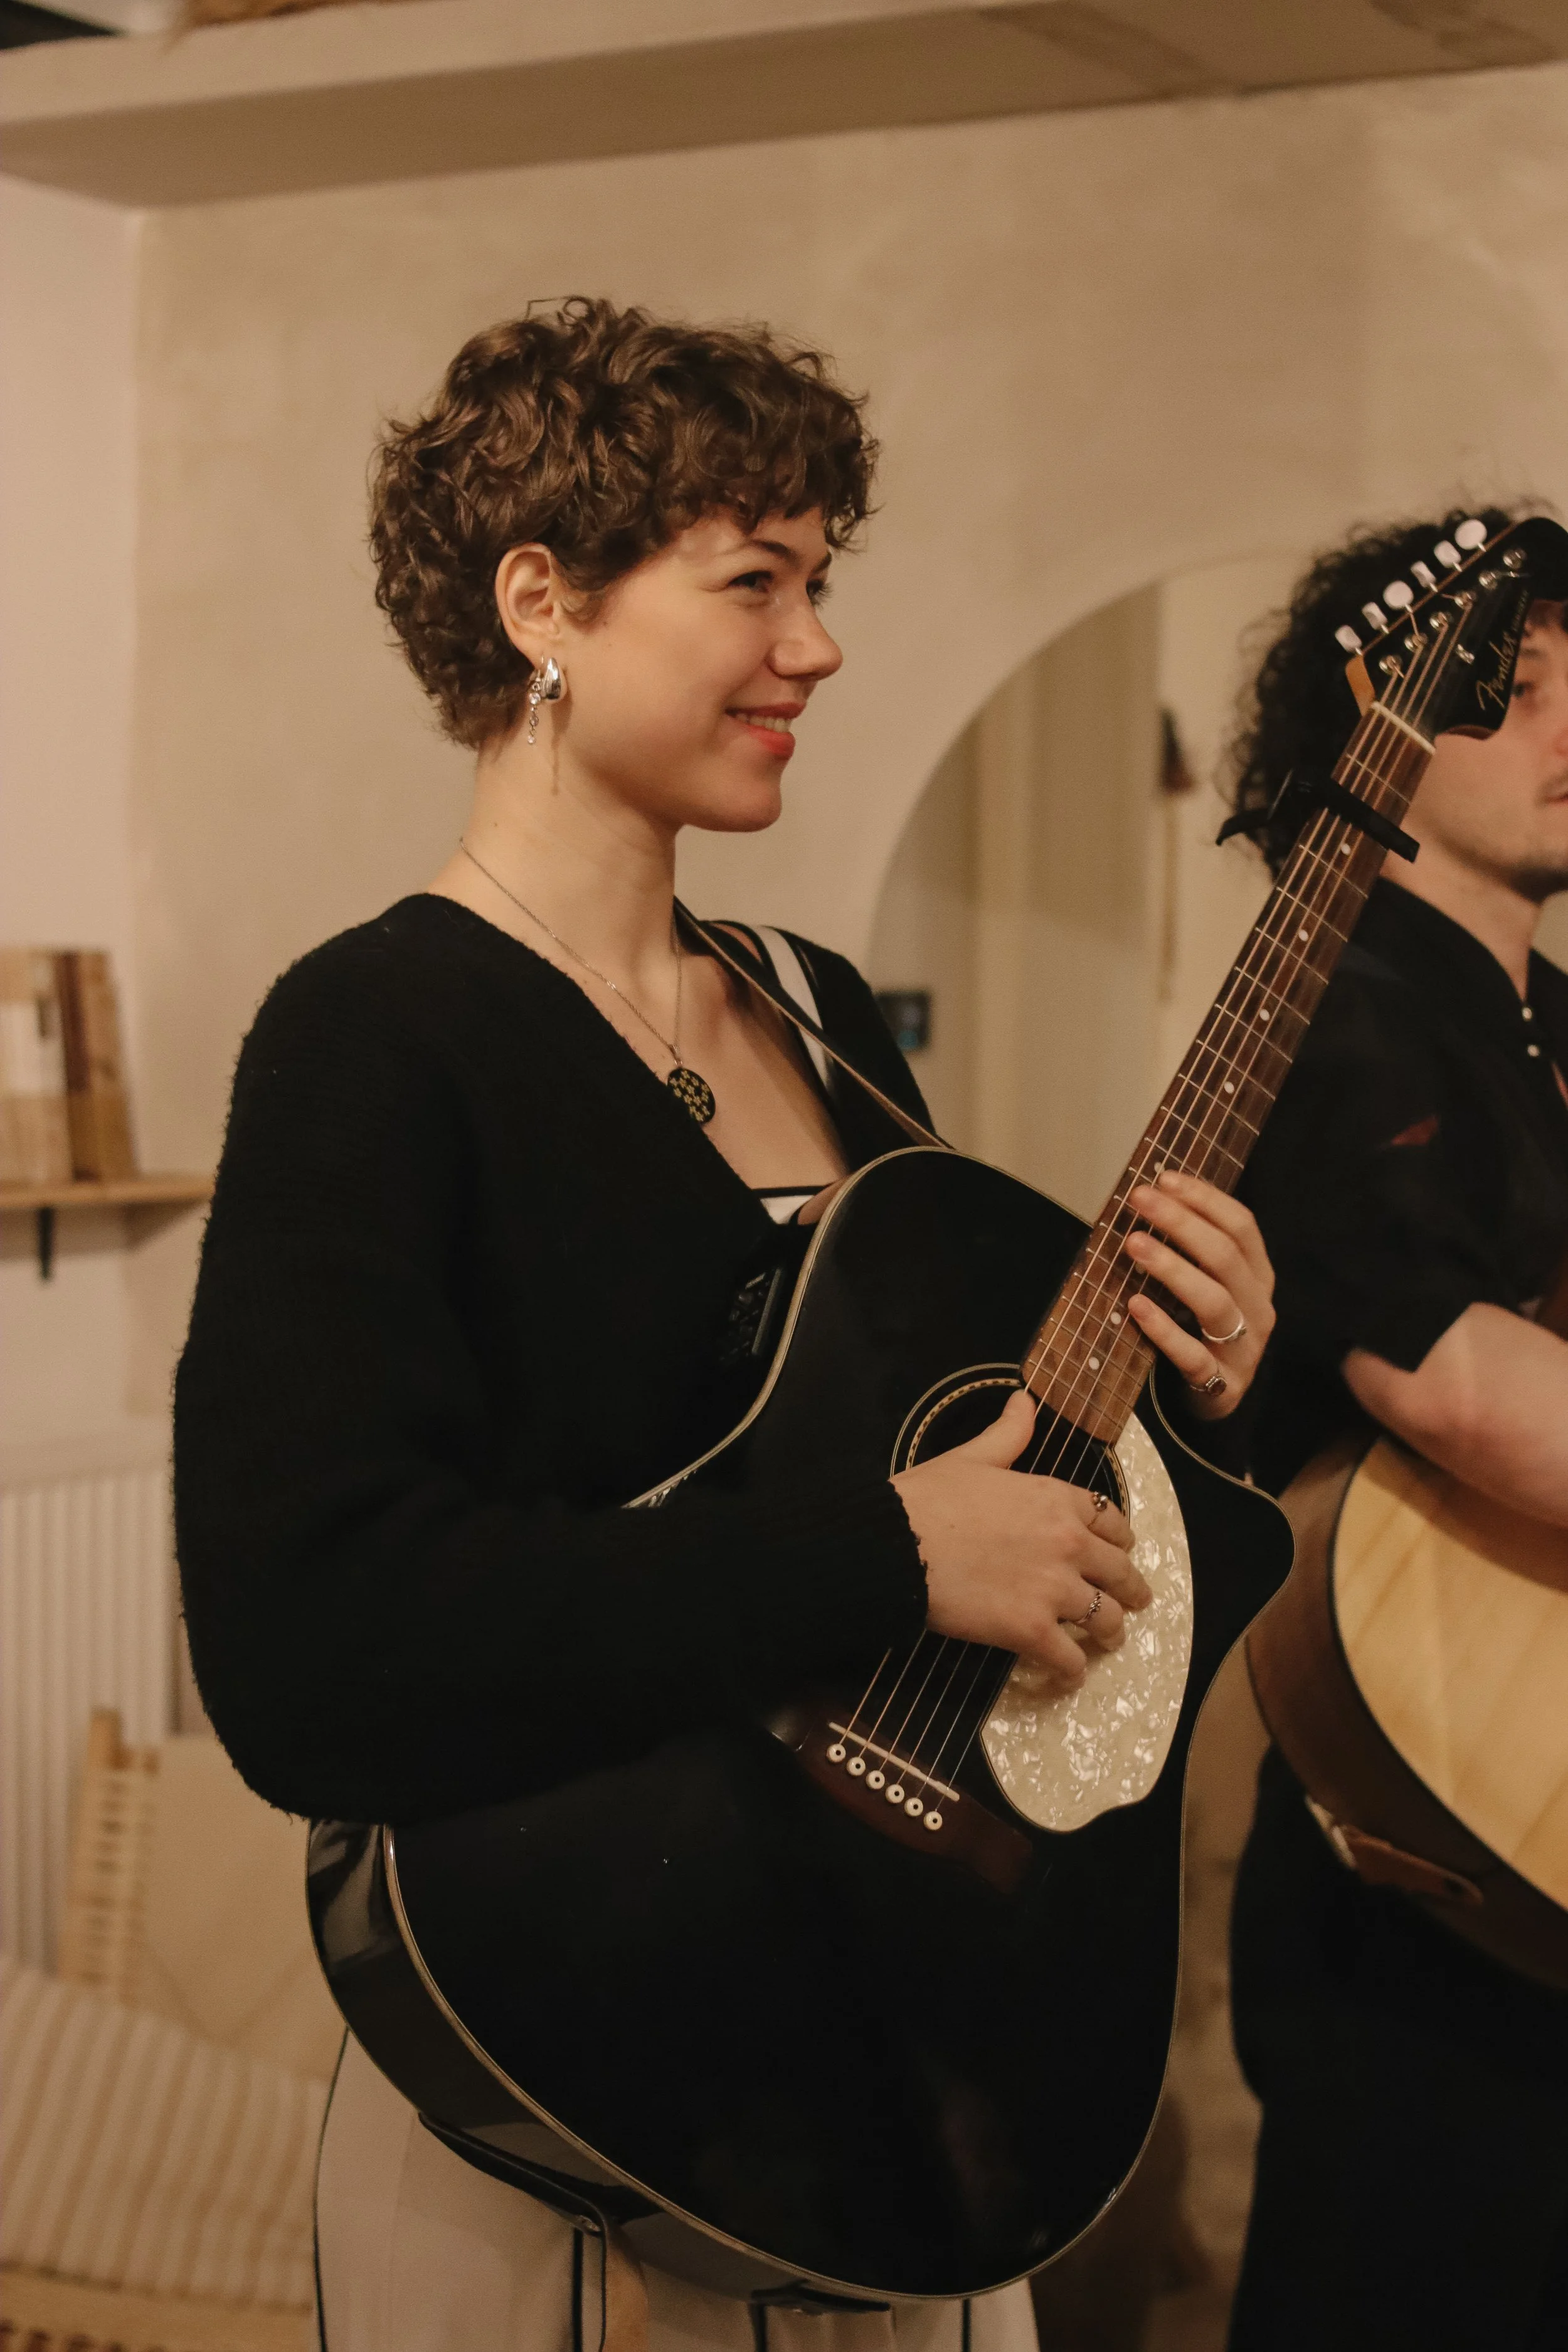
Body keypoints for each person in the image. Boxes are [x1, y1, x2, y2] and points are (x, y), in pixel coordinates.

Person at [172, 297, 1275, 2352]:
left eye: (820, 581)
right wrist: (888, 1554)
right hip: (574, 2092)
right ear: (542, 607)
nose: (818, 646)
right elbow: (308, 1643)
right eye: (751, 580)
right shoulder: (374, 1036)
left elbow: (954, 1473)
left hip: (877, 2069)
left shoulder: (817, 1009)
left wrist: (1184, 1379)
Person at [1222, 510, 1568, 2351]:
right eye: (1513, 697)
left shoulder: (1547, 1023)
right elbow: (1446, 1376)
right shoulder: (1332, 1007)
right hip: (1424, 1830)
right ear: (1380, 727)